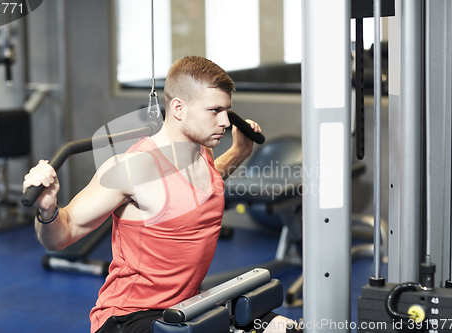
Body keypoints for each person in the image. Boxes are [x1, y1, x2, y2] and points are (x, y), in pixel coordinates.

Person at [23, 56, 297, 333]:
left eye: (227, 110)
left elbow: (201, 187)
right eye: (214, 110)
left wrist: (239, 152)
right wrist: (47, 210)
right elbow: (61, 235)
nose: (225, 121)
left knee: (280, 327)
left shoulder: (202, 152)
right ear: (178, 108)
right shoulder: (131, 169)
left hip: (186, 309)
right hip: (130, 319)